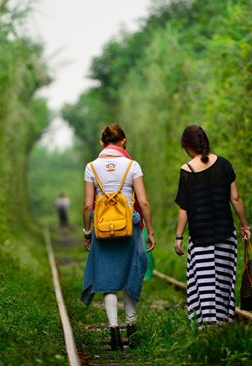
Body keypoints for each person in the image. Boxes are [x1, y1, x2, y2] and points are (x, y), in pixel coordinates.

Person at [81, 124, 155, 350]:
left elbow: (87, 206)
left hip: (103, 230)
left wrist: (87, 233)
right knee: (130, 276)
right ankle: (131, 329)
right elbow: (143, 202)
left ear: (102, 143)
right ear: (123, 141)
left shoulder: (91, 167)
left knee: (107, 280)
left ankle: (114, 332)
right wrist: (149, 231)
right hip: (128, 229)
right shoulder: (133, 166)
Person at [173, 125, 251, 329]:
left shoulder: (187, 170)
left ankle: (207, 332)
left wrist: (179, 237)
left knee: (205, 286)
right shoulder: (225, 165)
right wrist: (245, 227)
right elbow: (235, 198)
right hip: (226, 234)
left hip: (201, 238)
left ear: (188, 147)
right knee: (224, 284)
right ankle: (224, 328)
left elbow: (185, 208)